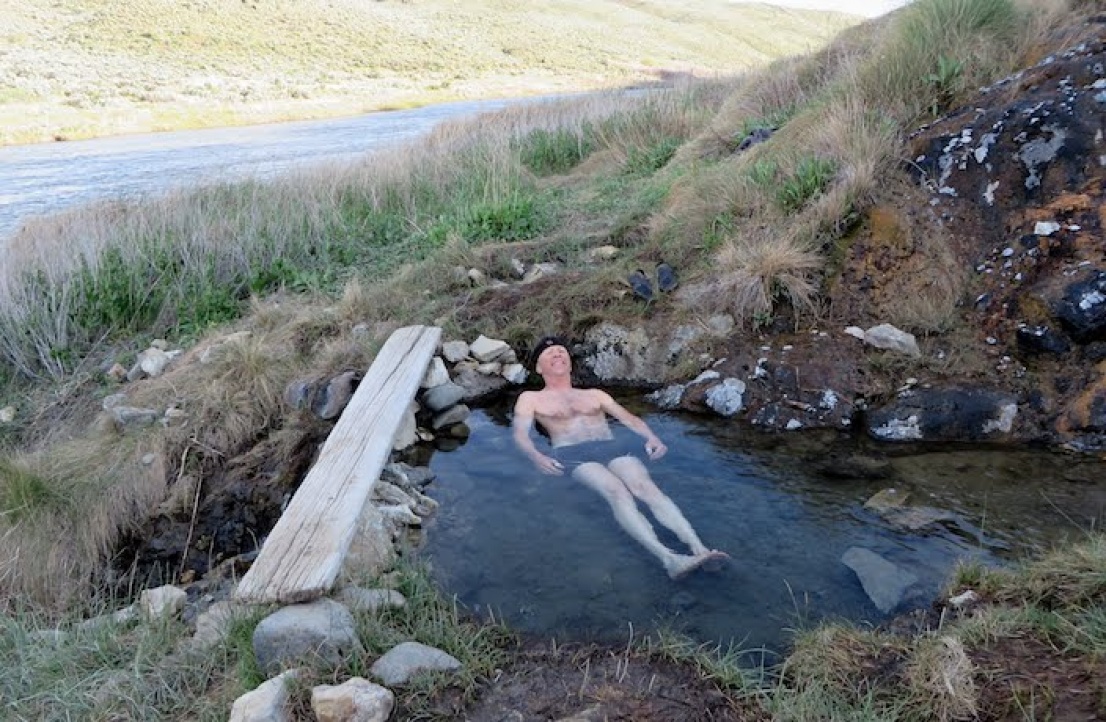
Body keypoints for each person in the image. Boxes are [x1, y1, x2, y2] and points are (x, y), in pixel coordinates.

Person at [512, 336, 729, 579]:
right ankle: (669, 558)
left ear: (570, 363)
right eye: (550, 352)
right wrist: (535, 456)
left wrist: (652, 437)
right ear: (539, 367)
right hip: (572, 454)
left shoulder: (595, 394)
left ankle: (699, 548)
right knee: (616, 490)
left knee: (645, 487)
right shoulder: (530, 398)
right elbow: (521, 434)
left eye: (562, 351)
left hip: (610, 446)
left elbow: (628, 419)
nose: (558, 354)